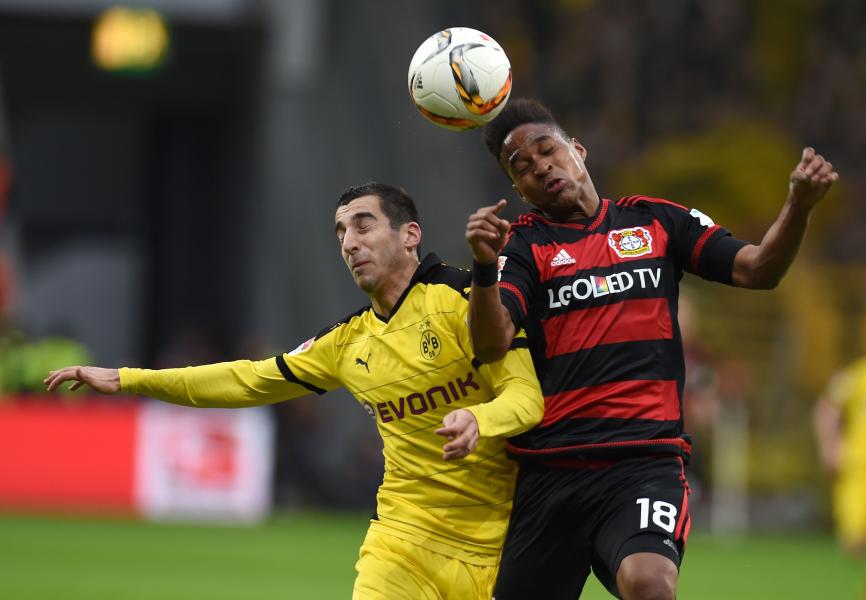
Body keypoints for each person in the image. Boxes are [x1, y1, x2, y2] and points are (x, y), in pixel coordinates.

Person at [45, 182, 544, 600]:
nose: (349, 242)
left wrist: (480, 419)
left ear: (410, 234)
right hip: (401, 544)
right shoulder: (346, 343)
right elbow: (246, 380)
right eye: (342, 232)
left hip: (498, 550)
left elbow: (526, 398)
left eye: (364, 225)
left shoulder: (468, 302)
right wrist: (128, 378)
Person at [464, 98, 838, 600]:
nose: (541, 168)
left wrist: (799, 205)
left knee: (649, 582)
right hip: (552, 471)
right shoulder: (524, 247)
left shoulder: (656, 222)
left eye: (547, 150)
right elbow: (490, 344)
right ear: (518, 190)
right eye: (523, 168)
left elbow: (757, 269)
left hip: (644, 463)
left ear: (578, 150)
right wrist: (485, 268)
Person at [814, 310, 866, 600]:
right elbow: (827, 409)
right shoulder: (861, 374)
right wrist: (830, 445)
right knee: (854, 547)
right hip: (858, 473)